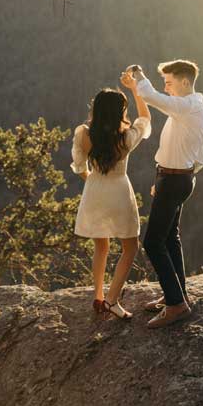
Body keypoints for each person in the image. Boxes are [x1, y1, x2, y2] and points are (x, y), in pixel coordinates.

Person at [126, 60, 203, 328]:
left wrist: (138, 76)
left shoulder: (188, 107)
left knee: (153, 243)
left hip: (175, 180)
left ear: (185, 82)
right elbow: (200, 154)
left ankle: (176, 304)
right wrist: (166, 179)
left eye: (170, 82)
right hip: (175, 178)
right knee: (170, 238)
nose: (167, 87)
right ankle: (177, 294)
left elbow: (152, 97)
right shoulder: (194, 109)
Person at [71, 81, 151, 319]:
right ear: (119, 112)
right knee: (130, 247)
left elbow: (78, 166)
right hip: (119, 190)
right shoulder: (125, 137)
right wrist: (137, 91)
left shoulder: (84, 133)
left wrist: (93, 181)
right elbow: (145, 119)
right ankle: (112, 300)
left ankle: (98, 296)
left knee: (101, 246)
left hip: (94, 189)